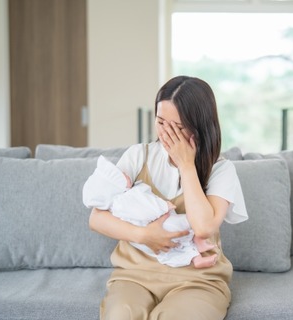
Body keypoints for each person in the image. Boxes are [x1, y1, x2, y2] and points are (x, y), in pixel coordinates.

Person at [88, 75, 248, 320]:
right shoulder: (137, 156)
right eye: (161, 122)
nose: (166, 133)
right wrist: (144, 236)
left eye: (178, 127)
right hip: (135, 276)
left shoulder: (221, 170)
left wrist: (187, 165)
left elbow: (204, 228)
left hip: (197, 281)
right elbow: (96, 219)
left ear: (200, 126)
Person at [82, 155, 218, 268]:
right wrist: (164, 207)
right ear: (114, 187)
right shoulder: (124, 200)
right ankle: (197, 246)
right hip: (158, 226)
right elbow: (145, 208)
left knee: (176, 247)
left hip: (153, 236)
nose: (125, 173)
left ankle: (196, 257)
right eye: (122, 176)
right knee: (189, 221)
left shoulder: (122, 201)